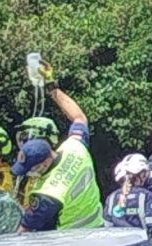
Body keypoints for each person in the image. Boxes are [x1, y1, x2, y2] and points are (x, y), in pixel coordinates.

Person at [12, 82, 102, 232]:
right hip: (97, 226)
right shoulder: (74, 147)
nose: (29, 173)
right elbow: (79, 118)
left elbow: (22, 231)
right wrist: (53, 89)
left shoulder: (48, 193)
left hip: (72, 242)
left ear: (42, 164)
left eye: (30, 169)